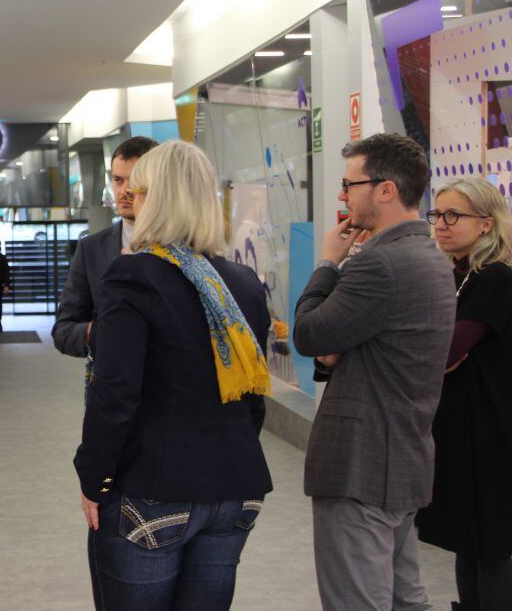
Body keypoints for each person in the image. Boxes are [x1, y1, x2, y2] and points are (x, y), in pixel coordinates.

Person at [75, 141, 273, 611]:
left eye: (137, 191)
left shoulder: (133, 277)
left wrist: (93, 478)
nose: (131, 201)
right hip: (233, 488)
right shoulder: (241, 282)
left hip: (154, 489)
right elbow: (253, 396)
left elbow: (116, 393)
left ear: (155, 199)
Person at [293, 133, 457, 611]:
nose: (343, 196)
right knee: (406, 598)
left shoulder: (380, 264)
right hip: (402, 459)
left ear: (385, 189)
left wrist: (327, 262)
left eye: (349, 185)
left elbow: (308, 334)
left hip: (362, 466)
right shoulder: (430, 258)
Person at [416, 178, 512, 611]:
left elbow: (446, 351)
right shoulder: (457, 274)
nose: (441, 224)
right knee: (466, 542)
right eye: (437, 215)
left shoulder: (495, 278)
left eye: (454, 215)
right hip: (459, 429)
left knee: (491, 544)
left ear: (487, 223)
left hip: (491, 434)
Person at [53, 136, 158, 388]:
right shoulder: (91, 249)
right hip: (112, 391)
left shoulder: (185, 249)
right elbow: (63, 331)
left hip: (171, 394)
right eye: (118, 180)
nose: (124, 191)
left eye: (135, 181)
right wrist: (99, 331)